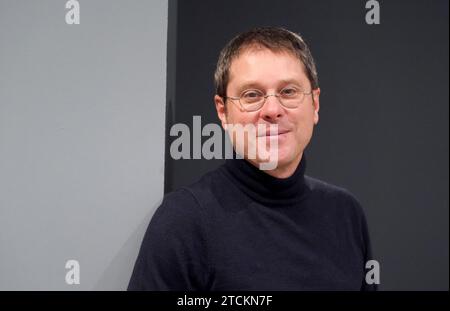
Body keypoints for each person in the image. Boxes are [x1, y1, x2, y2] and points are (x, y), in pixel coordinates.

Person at [128, 27, 377, 291]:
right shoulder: (184, 221)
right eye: (252, 95)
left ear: (314, 104)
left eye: (289, 91)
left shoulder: (346, 214)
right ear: (223, 112)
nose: (272, 110)